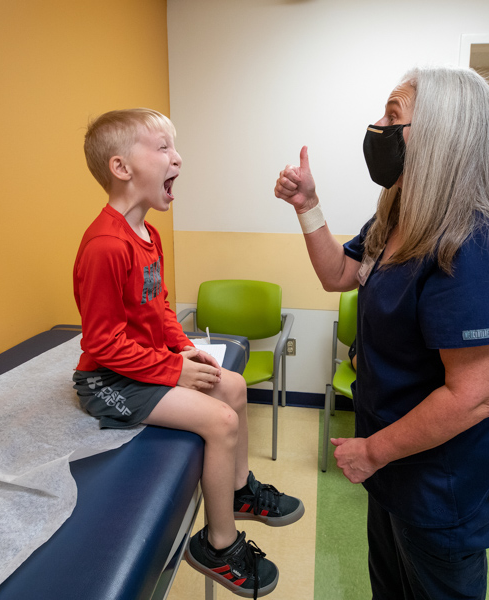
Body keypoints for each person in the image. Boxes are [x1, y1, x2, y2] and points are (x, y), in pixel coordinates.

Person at [274, 67, 489, 600]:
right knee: (392, 586)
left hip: (442, 476)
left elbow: (473, 398)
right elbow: (339, 275)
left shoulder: (474, 245)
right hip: (396, 458)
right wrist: (307, 207)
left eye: (392, 117)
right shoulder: (400, 215)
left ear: (444, 139)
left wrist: (373, 452)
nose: (377, 127)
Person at [72, 108, 303, 599]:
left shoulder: (148, 236)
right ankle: (218, 545)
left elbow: (160, 311)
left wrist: (181, 349)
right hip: (106, 383)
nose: (178, 157)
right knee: (218, 422)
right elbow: (102, 343)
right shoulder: (104, 246)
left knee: (234, 385)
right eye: (163, 148)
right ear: (122, 168)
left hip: (145, 366)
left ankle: (239, 489)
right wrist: (172, 369)